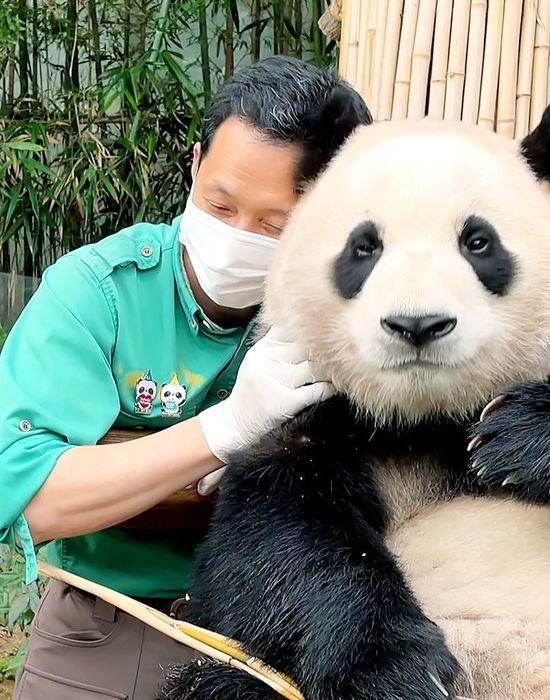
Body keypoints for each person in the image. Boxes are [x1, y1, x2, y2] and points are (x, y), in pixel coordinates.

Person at [1, 55, 371, 699]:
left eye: (276, 225)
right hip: (107, 624)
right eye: (219, 203)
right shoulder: (96, 293)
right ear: (196, 163)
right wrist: (226, 429)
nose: (238, 236)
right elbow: (31, 496)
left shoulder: (361, 307)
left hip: (282, 632)